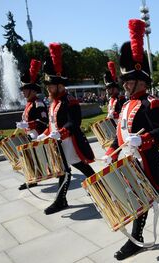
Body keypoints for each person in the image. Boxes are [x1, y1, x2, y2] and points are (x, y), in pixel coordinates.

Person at [101, 19, 159, 260]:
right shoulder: (126, 104)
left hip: (149, 157)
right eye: (125, 81)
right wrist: (112, 151)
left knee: (145, 196)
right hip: (131, 159)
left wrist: (144, 140)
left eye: (129, 80)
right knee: (157, 192)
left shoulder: (153, 103)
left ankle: (137, 240)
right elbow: (121, 133)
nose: (125, 85)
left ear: (141, 80)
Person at [37, 43, 96, 215]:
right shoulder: (54, 102)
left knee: (77, 169)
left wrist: (60, 132)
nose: (48, 89)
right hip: (59, 142)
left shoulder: (70, 101)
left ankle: (101, 189)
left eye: (50, 86)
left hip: (71, 142)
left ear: (59, 85)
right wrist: (44, 135)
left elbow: (73, 122)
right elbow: (52, 124)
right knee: (66, 170)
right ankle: (62, 199)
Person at [16, 59, 48, 190]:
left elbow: (44, 121)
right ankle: (31, 179)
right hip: (30, 135)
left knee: (34, 158)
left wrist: (28, 124)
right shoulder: (29, 103)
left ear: (32, 90)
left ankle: (33, 179)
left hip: (37, 136)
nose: (22, 92)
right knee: (28, 158)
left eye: (25, 89)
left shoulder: (38, 103)